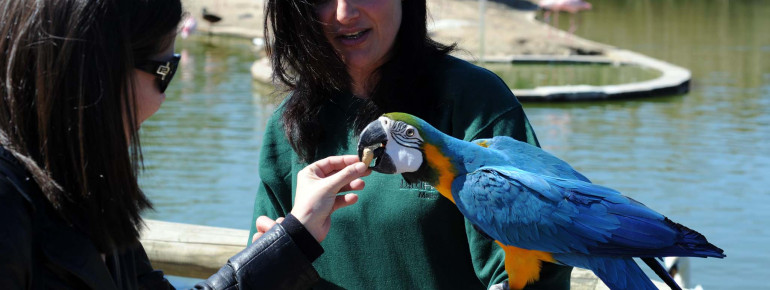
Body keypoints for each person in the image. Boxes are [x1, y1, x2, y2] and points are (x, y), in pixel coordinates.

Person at [0, 0, 369, 289]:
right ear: (97, 69)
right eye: (165, 70)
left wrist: (294, 236)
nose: (163, 100)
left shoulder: (86, 193)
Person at [250, 0, 573, 289]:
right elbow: (258, 272)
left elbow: (538, 269)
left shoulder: (475, 103)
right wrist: (273, 262)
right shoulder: (287, 125)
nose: (344, 12)